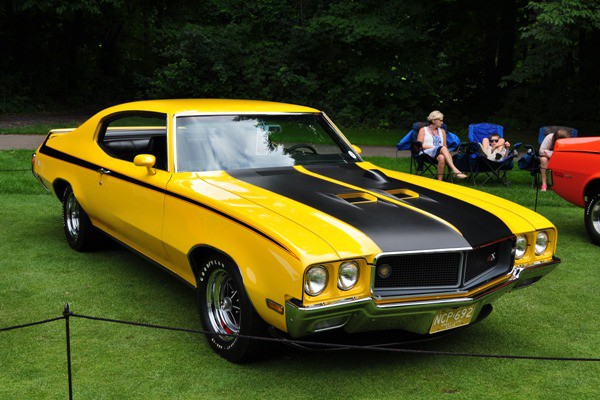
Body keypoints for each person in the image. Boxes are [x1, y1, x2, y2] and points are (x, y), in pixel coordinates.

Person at [417, 110, 467, 180]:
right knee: (442, 148)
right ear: (434, 120)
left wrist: (443, 151)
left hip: (439, 153)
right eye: (440, 120)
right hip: (426, 153)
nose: (442, 122)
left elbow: (445, 146)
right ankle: (455, 170)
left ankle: (439, 181)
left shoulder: (442, 131)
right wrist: (435, 147)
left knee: (442, 157)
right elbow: (419, 145)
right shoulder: (423, 130)